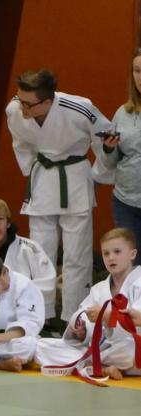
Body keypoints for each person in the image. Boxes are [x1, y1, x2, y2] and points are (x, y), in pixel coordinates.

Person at [6, 68, 112, 323]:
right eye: (20, 99)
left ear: (48, 101)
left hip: (74, 177)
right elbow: (20, 144)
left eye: (29, 104)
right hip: (43, 178)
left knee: (77, 254)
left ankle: (75, 316)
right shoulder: (14, 109)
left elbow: (106, 139)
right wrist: (31, 169)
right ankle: (40, 314)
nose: (22, 108)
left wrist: (98, 173)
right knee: (40, 252)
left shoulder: (80, 107)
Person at [36, 228, 141, 380]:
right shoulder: (98, 289)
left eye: (117, 252)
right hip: (104, 350)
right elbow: (83, 316)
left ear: (133, 254)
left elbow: (136, 319)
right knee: (41, 346)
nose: (111, 257)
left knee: (129, 350)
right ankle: (102, 367)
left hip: (129, 348)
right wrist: (82, 330)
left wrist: (106, 316)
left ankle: (92, 365)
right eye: (106, 253)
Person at [100, 49, 141, 264]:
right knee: (131, 266)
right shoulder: (123, 113)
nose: (140, 77)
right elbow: (110, 163)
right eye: (137, 71)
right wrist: (109, 148)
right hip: (126, 202)